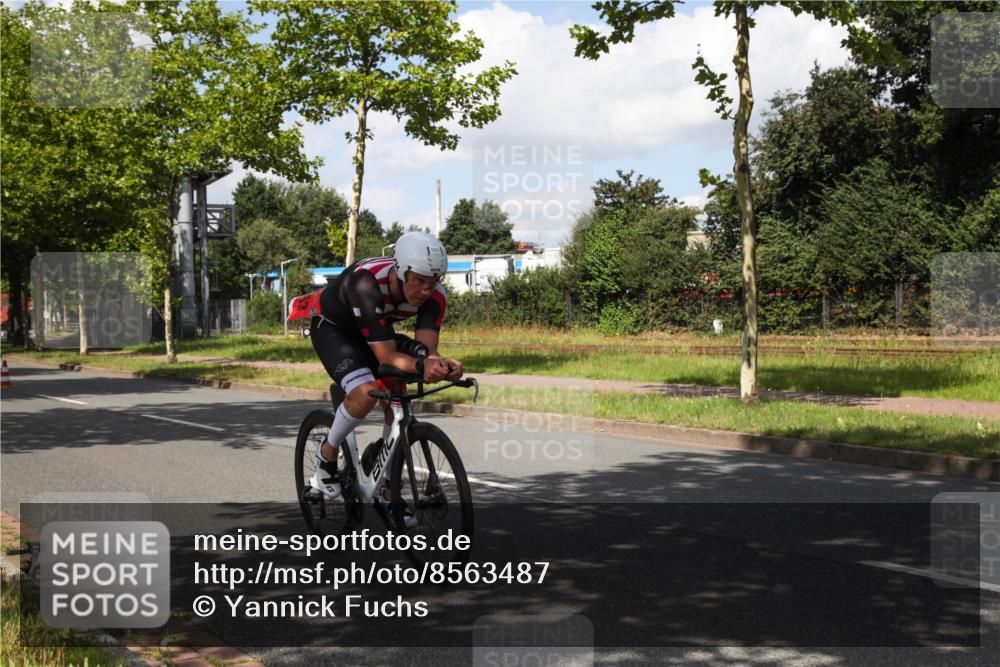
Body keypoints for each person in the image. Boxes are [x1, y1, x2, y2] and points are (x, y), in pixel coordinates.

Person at [302, 231, 464, 501]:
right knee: (364, 393)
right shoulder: (366, 284)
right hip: (335, 330)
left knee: (397, 395)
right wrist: (421, 364)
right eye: (419, 281)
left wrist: (441, 365)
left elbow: (427, 351)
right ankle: (326, 456)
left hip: (374, 332)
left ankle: (390, 490)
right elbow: (387, 357)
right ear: (401, 272)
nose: (427, 290)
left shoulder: (435, 297)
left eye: (434, 281)